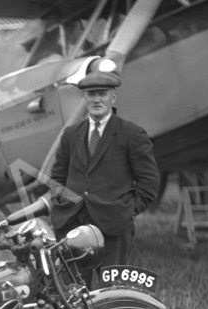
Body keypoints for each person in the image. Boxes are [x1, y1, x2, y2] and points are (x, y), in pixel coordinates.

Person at [50, 61, 159, 287]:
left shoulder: (132, 134)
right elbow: (57, 177)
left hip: (113, 226)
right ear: (85, 98)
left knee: (112, 292)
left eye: (102, 94)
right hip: (73, 225)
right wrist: (61, 198)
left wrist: (127, 211)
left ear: (113, 98)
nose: (96, 100)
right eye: (91, 94)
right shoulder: (72, 134)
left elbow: (149, 183)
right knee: (72, 291)